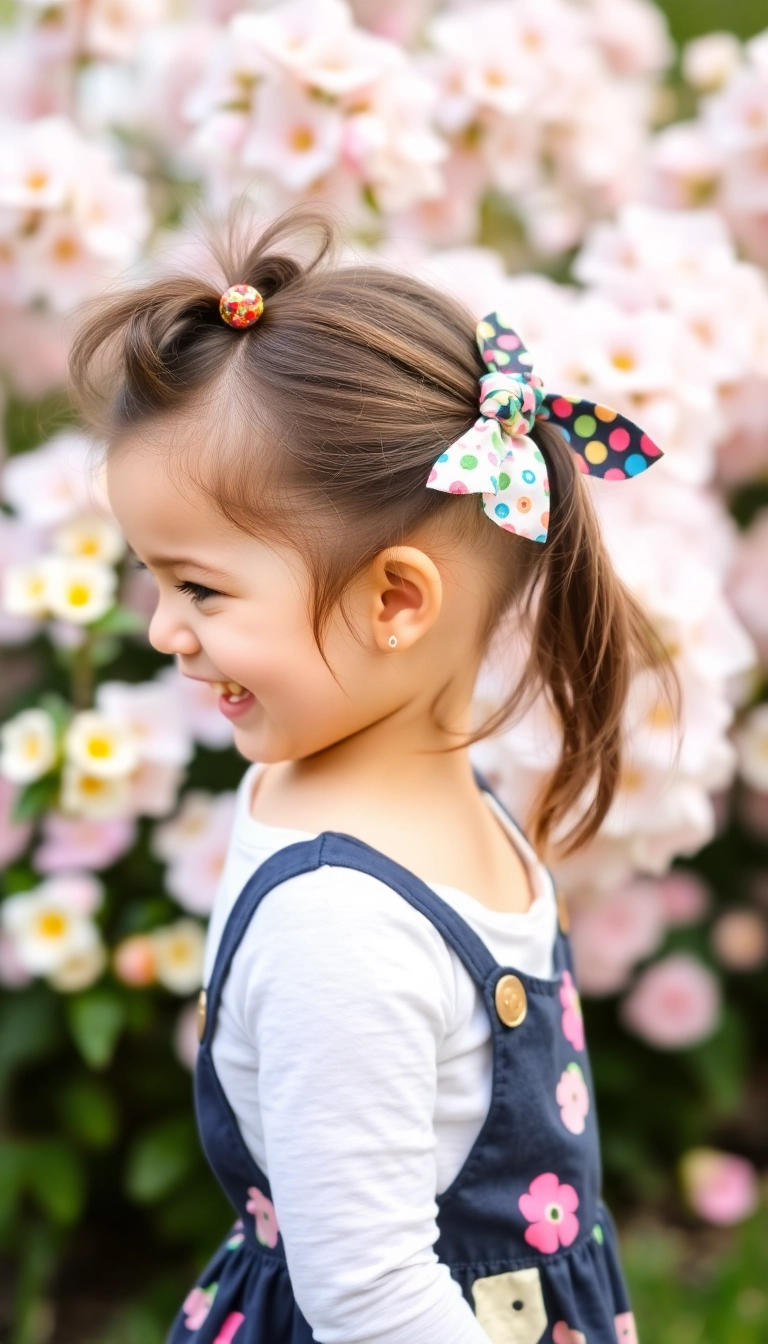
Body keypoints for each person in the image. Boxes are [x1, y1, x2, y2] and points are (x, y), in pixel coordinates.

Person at [70, 207, 672, 1344]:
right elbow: (373, 1299)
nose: (163, 631)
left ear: (396, 601)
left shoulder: (435, 794)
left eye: (198, 589)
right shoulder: (337, 929)